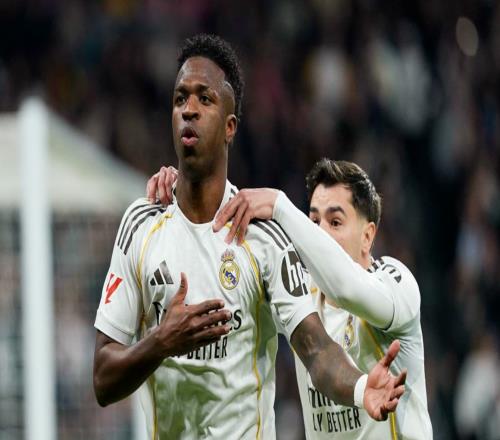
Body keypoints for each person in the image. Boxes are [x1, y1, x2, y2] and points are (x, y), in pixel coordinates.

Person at [94, 34, 405, 440]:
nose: (189, 109)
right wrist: (160, 342)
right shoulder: (141, 224)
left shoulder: (262, 236)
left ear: (230, 127)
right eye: (180, 98)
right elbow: (103, 379)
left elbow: (315, 349)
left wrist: (361, 388)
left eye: (205, 99)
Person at [148, 159, 432, 439]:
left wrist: (279, 206)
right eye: (314, 221)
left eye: (335, 222)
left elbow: (346, 289)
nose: (320, 233)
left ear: (367, 236)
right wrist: (188, 191)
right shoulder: (299, 295)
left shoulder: (395, 284)